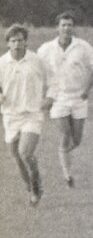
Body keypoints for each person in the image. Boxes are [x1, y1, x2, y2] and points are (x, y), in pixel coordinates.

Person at [37, 12, 93, 188]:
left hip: (79, 97)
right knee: (65, 134)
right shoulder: (46, 49)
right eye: (63, 25)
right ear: (57, 27)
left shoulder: (83, 47)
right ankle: (67, 175)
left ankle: (62, 153)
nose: (66, 28)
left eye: (69, 25)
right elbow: (35, 69)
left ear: (74, 28)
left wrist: (87, 90)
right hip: (58, 97)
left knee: (77, 140)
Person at [0, 24, 50, 206]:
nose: (17, 44)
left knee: (25, 152)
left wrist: (50, 97)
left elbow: (53, 80)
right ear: (8, 43)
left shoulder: (37, 60)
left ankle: (36, 188)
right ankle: (31, 187)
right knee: (16, 156)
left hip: (32, 113)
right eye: (13, 41)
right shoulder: (2, 63)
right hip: (10, 115)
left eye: (20, 40)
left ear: (25, 42)